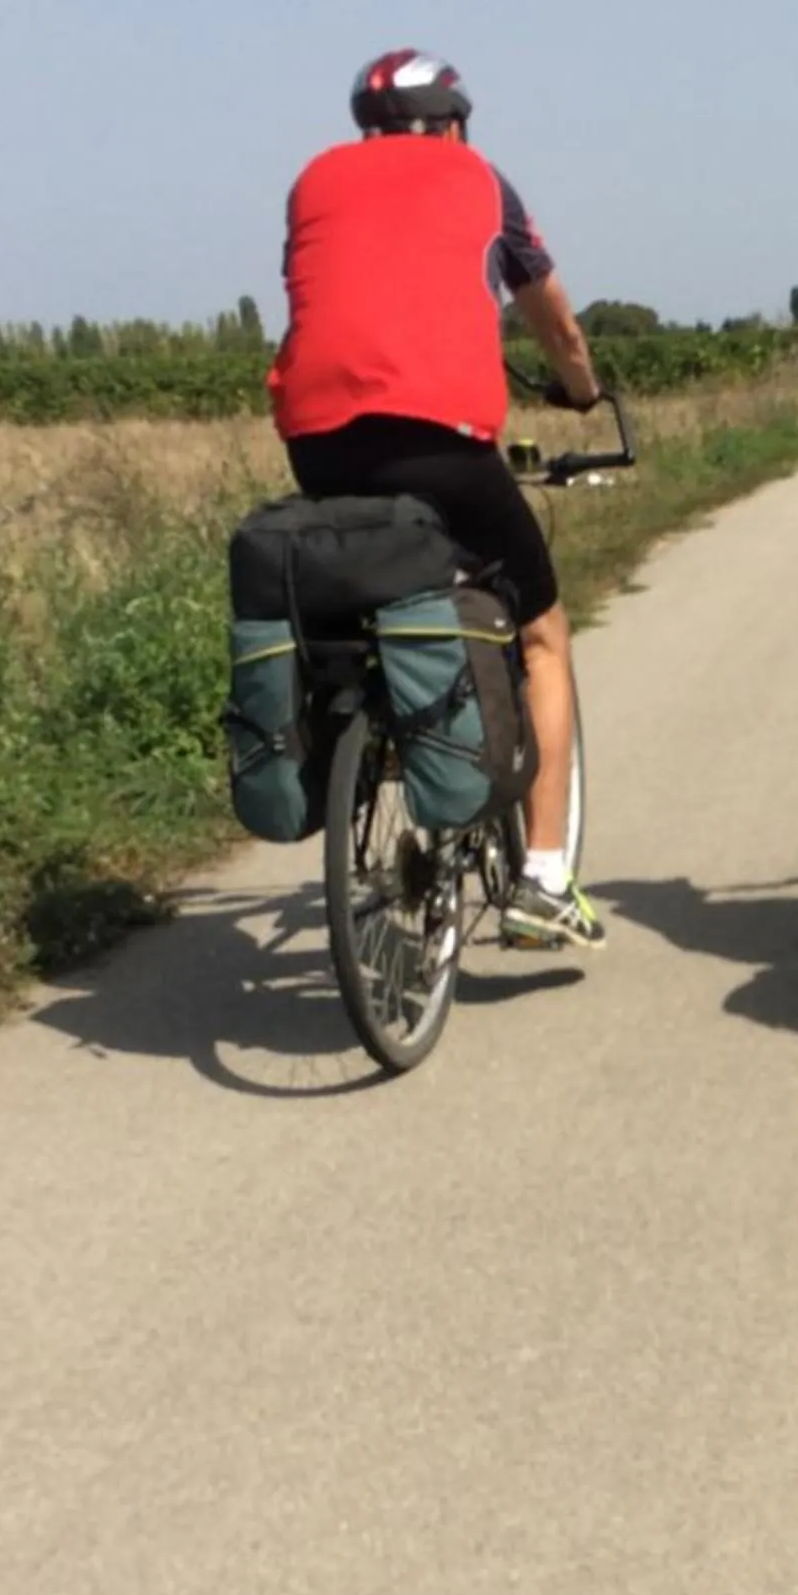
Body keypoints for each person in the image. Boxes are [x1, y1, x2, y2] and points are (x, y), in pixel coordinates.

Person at [268, 49, 606, 949]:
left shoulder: (313, 183)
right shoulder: (481, 181)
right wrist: (579, 387)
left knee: (377, 590)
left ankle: (373, 735)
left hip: (319, 443)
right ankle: (543, 878)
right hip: (441, 442)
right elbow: (554, 317)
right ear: (454, 123)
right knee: (542, 633)